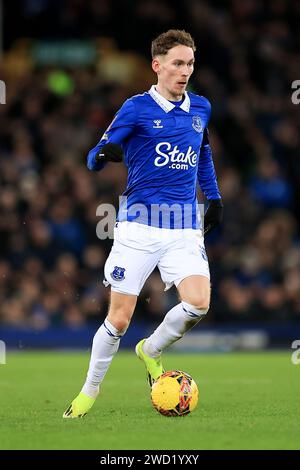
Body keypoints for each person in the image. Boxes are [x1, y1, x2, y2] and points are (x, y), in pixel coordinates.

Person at [63, 29, 223, 418]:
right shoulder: (135, 108)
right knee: (118, 318)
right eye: (177, 64)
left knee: (199, 303)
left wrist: (214, 197)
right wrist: (106, 153)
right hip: (138, 225)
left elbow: (202, 155)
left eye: (189, 64)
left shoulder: (200, 107)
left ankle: (151, 349)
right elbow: (92, 156)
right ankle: (89, 392)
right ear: (157, 66)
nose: (185, 71)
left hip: (183, 224)